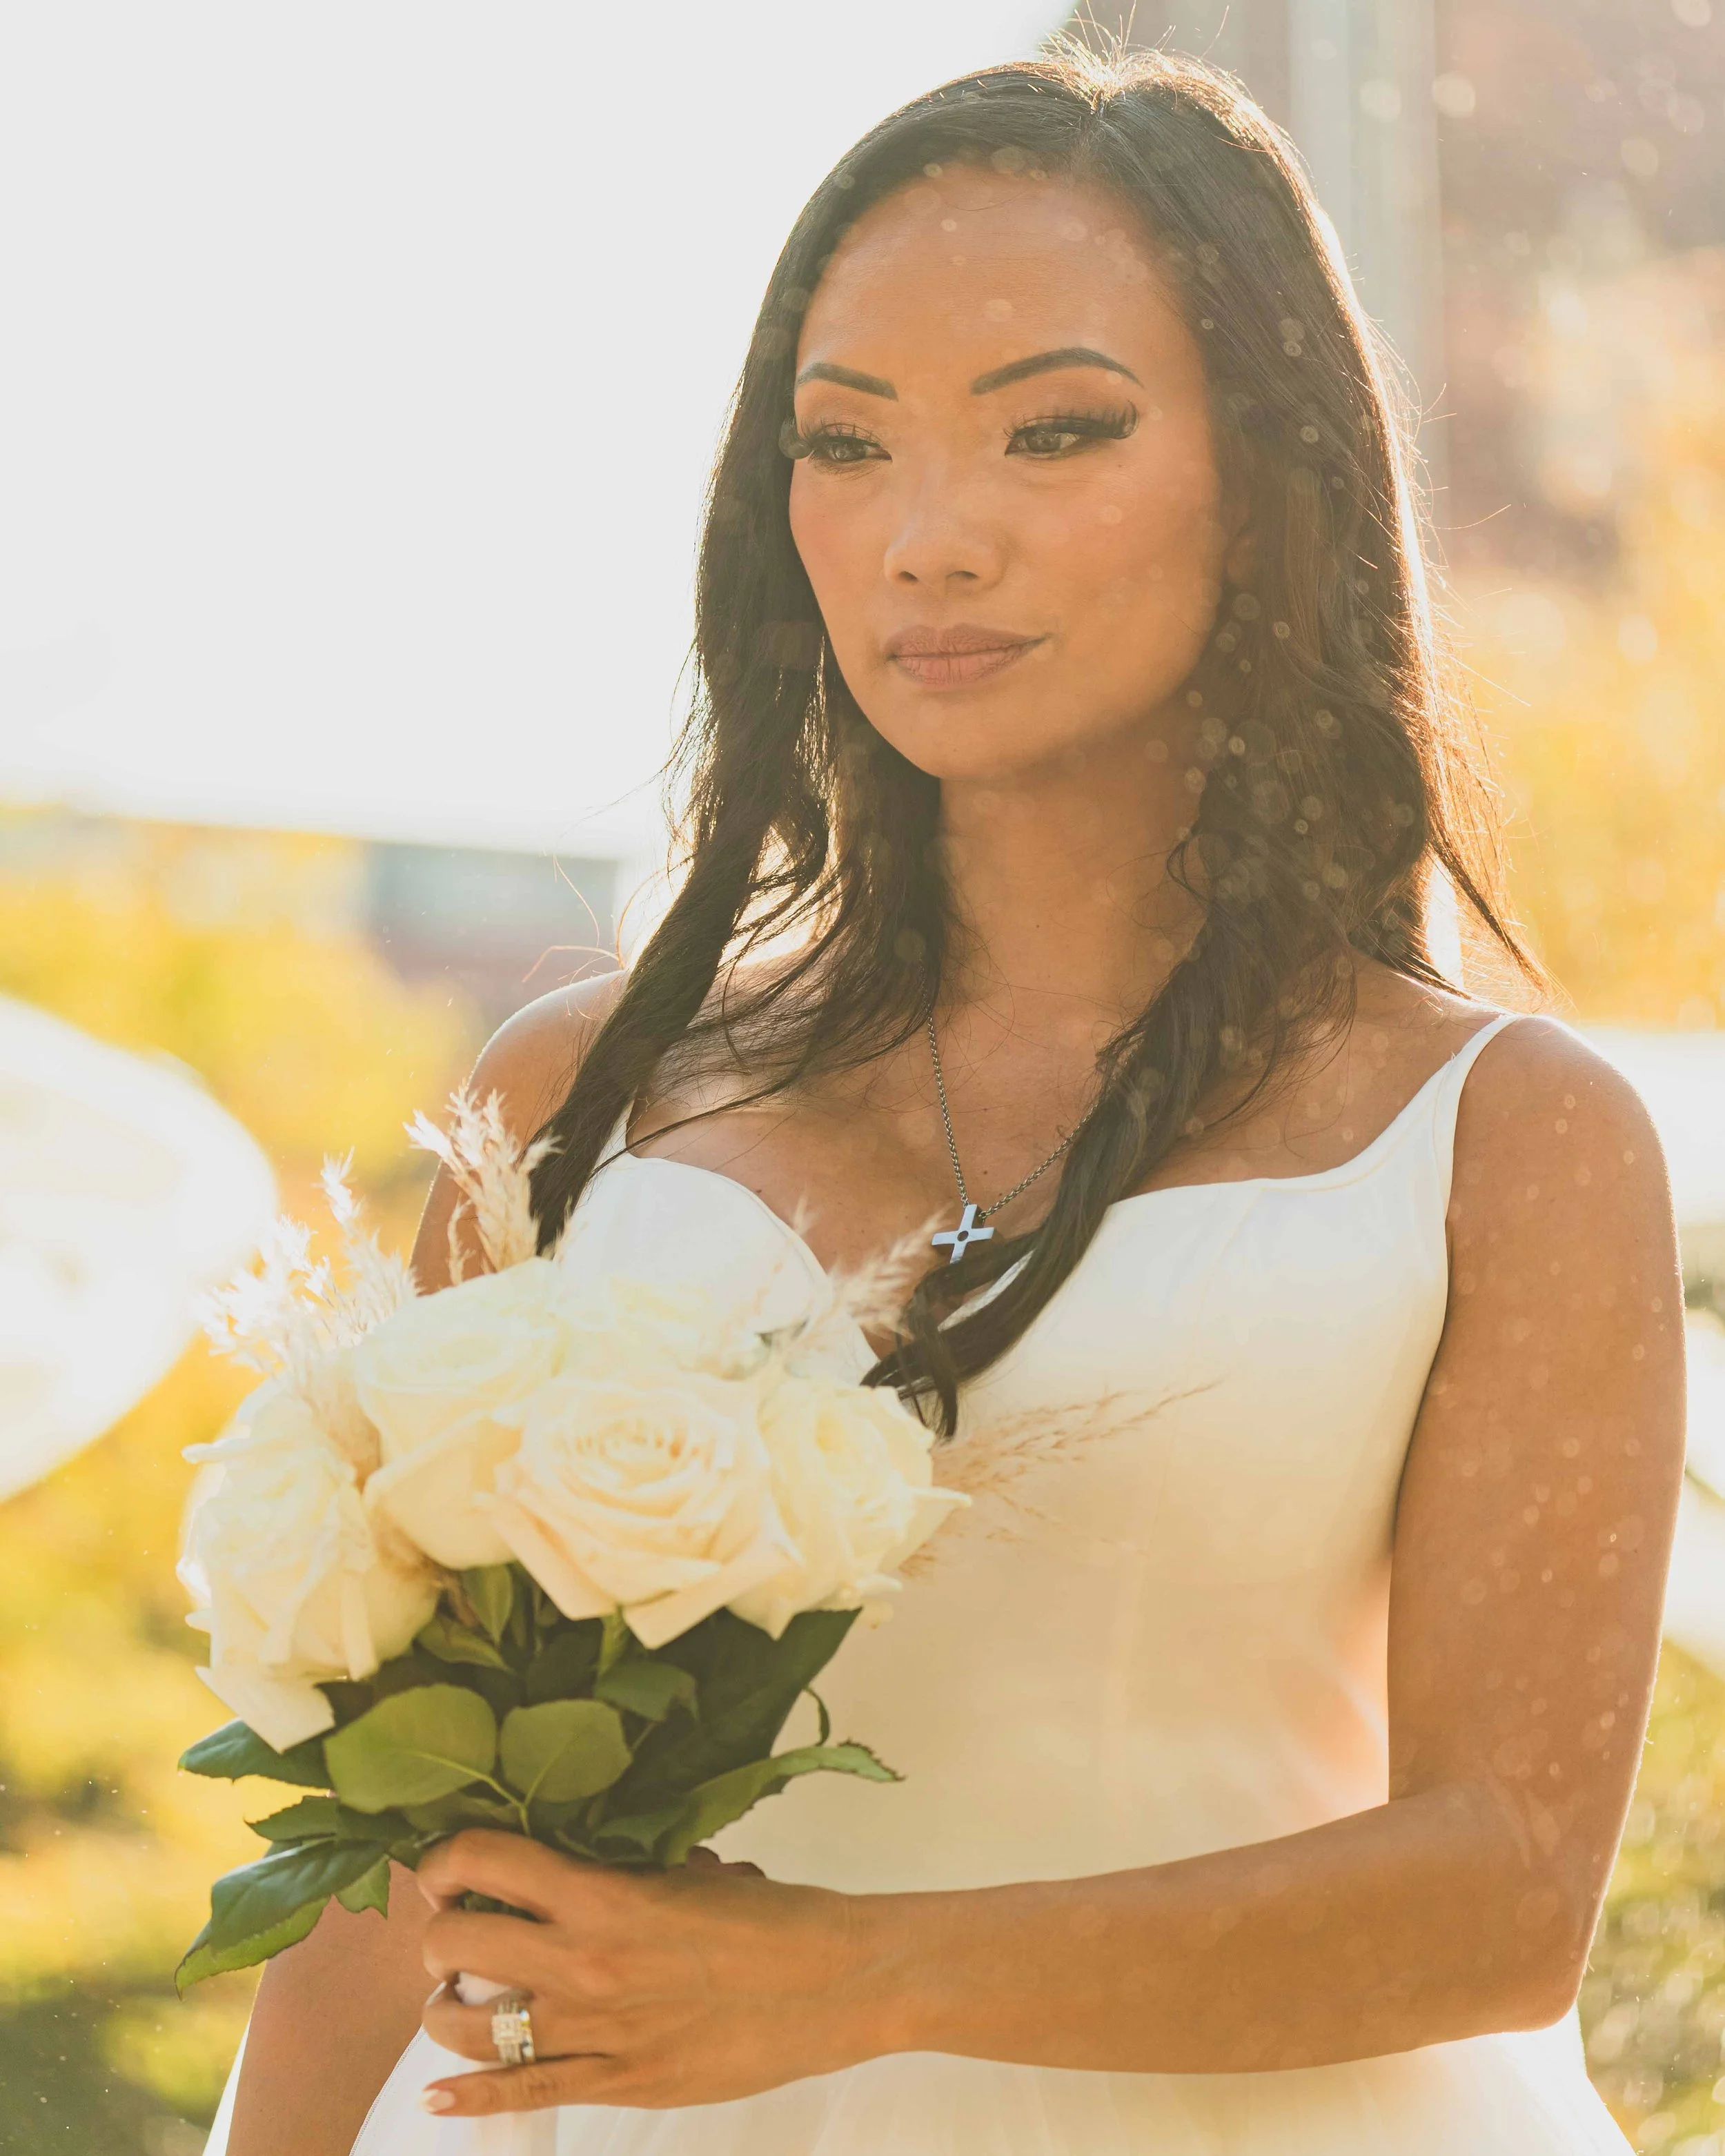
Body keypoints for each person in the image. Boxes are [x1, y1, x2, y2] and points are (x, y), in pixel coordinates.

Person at [208, 46, 1686, 2156]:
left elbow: (1507, 1893)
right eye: (844, 442)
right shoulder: (568, 1098)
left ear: (1266, 479)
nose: (928, 537)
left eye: (1055, 430)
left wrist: (830, 1980)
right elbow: (384, 1862)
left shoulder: (1501, 1137)